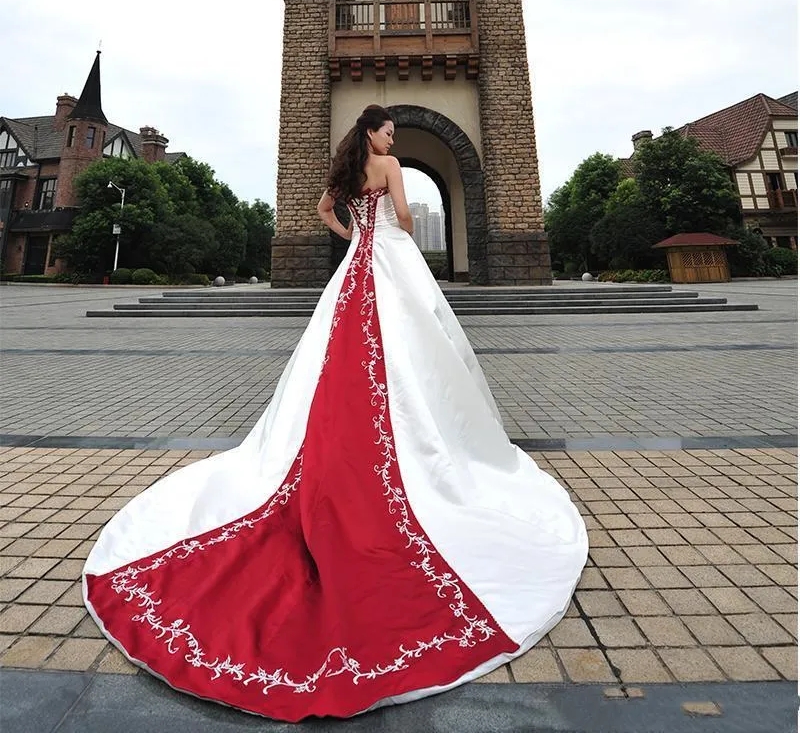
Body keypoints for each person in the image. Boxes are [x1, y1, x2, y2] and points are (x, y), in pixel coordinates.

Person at [83, 104, 588, 723]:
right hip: (393, 257)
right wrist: (398, 228)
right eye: (388, 131)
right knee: (417, 348)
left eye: (394, 134)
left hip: (358, 264)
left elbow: (325, 210)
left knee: (337, 349)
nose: (392, 139)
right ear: (373, 132)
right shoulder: (389, 167)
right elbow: (404, 216)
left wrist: (354, 236)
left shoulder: (347, 171)